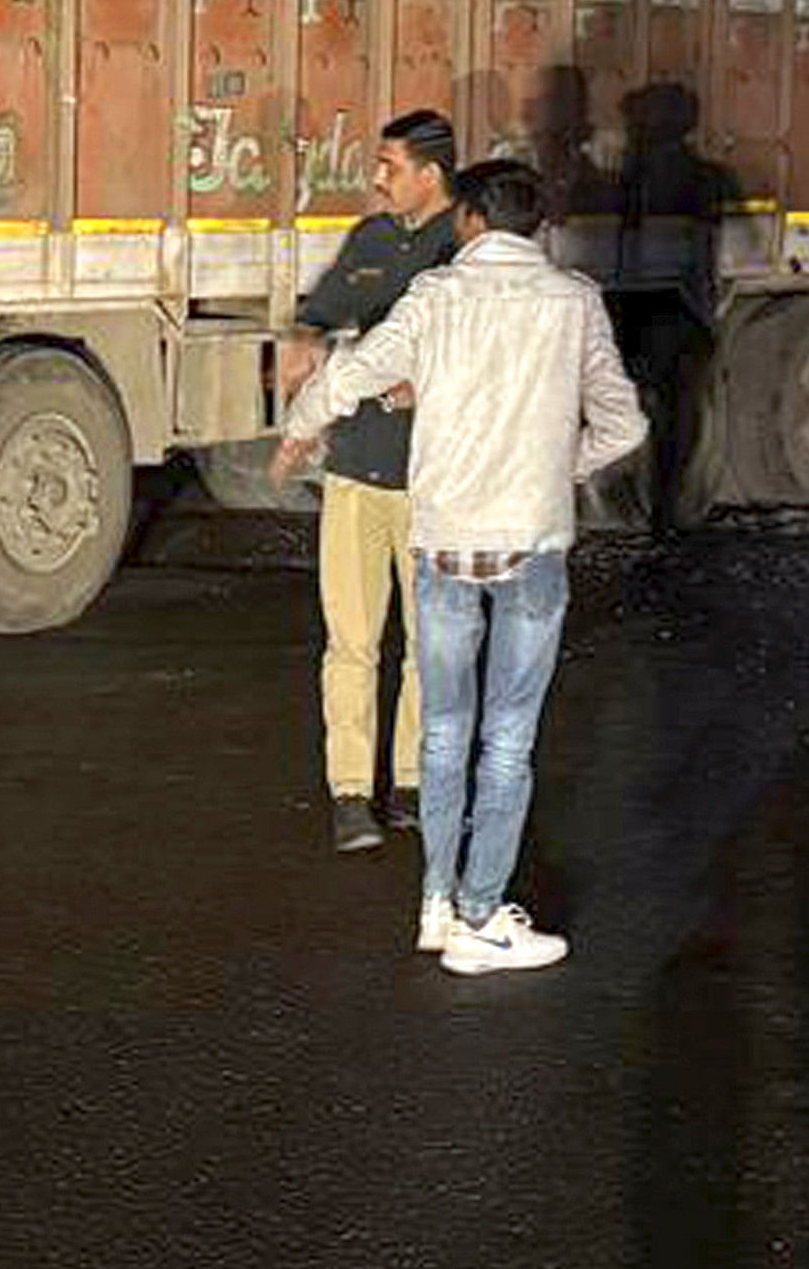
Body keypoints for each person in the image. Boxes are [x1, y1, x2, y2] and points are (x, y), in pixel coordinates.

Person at [275, 159, 648, 974]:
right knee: (507, 741)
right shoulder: (573, 301)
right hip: (530, 546)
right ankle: (482, 917)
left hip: (444, 540)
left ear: (470, 219)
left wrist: (299, 427)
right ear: (536, 224)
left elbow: (349, 376)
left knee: (444, 733)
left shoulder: (435, 298)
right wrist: (559, 466)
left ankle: (439, 904)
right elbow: (623, 424)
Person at [282, 108, 464, 854]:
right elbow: (321, 311)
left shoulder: (470, 246)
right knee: (350, 641)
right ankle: (351, 792)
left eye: (388, 165)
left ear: (430, 172)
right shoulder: (371, 239)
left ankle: (414, 783)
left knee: (431, 641)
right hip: (356, 468)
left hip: (435, 474)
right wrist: (302, 338)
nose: (376, 178)